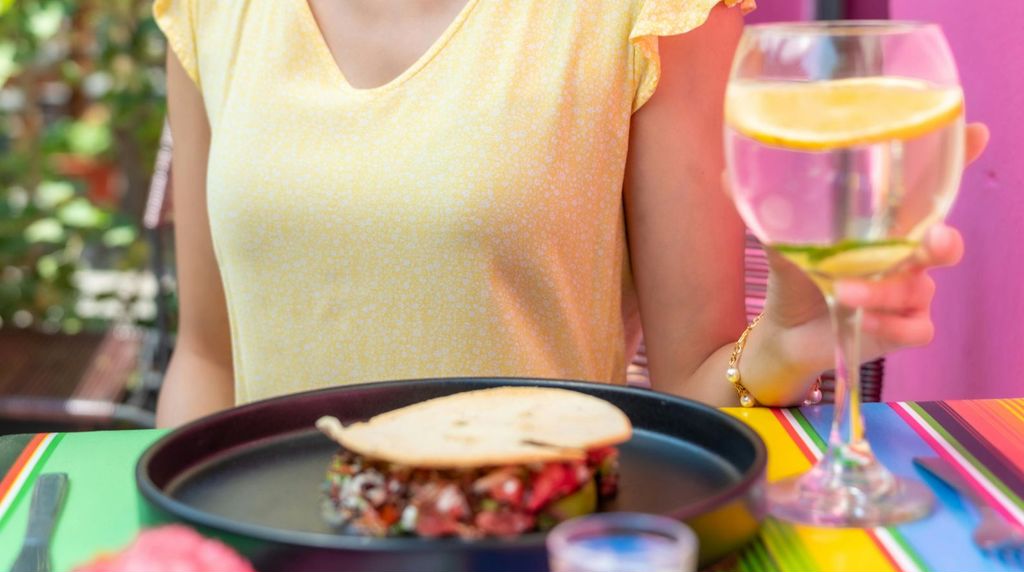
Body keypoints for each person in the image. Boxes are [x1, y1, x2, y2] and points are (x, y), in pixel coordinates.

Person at [153, 0, 988, 427]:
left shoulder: (649, 13)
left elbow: (689, 397)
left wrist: (783, 347)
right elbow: (205, 360)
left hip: (537, 544)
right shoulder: (212, 11)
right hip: (265, 541)